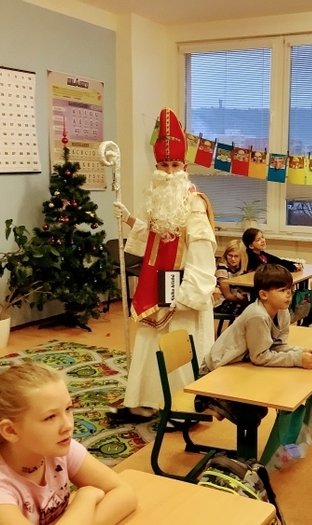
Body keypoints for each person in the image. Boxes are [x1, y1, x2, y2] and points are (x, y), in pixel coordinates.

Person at [112, 107, 217, 421]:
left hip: (183, 293)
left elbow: (202, 254)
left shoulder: (195, 204)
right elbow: (156, 240)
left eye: (175, 165)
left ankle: (183, 410)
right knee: (150, 344)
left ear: (185, 167)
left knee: (179, 349)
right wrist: (129, 220)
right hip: (155, 286)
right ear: (156, 166)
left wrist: (183, 297)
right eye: (163, 165)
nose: (169, 172)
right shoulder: (158, 200)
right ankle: (143, 401)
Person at [0, 362, 137, 525]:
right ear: (10, 430)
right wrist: (86, 497)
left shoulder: (57, 448)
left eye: (68, 409)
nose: (68, 425)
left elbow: (125, 495)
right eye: (50, 417)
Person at [197, 263, 312, 422]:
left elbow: (277, 345)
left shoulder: (282, 311)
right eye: (282, 291)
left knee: (258, 409)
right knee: (251, 415)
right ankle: (208, 398)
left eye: (290, 290)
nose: (289, 295)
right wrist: (297, 360)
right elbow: (260, 357)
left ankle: (218, 402)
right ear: (263, 294)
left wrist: (300, 352)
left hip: (240, 365)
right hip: (216, 370)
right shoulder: (257, 316)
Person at [213, 239, 249, 317]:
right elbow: (227, 295)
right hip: (221, 303)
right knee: (248, 309)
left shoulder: (240, 268)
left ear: (241, 257)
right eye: (230, 255)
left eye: (236, 256)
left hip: (234, 299)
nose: (233, 259)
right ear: (226, 255)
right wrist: (246, 301)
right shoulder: (222, 268)